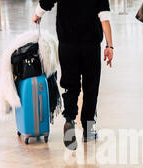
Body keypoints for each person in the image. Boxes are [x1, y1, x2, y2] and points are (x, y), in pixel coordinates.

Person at [32, 0, 114, 150]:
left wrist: (38, 14)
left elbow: (47, 1)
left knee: (70, 84)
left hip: (67, 44)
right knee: (91, 87)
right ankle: (88, 130)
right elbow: (104, 17)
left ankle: (69, 119)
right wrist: (109, 45)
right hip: (91, 45)